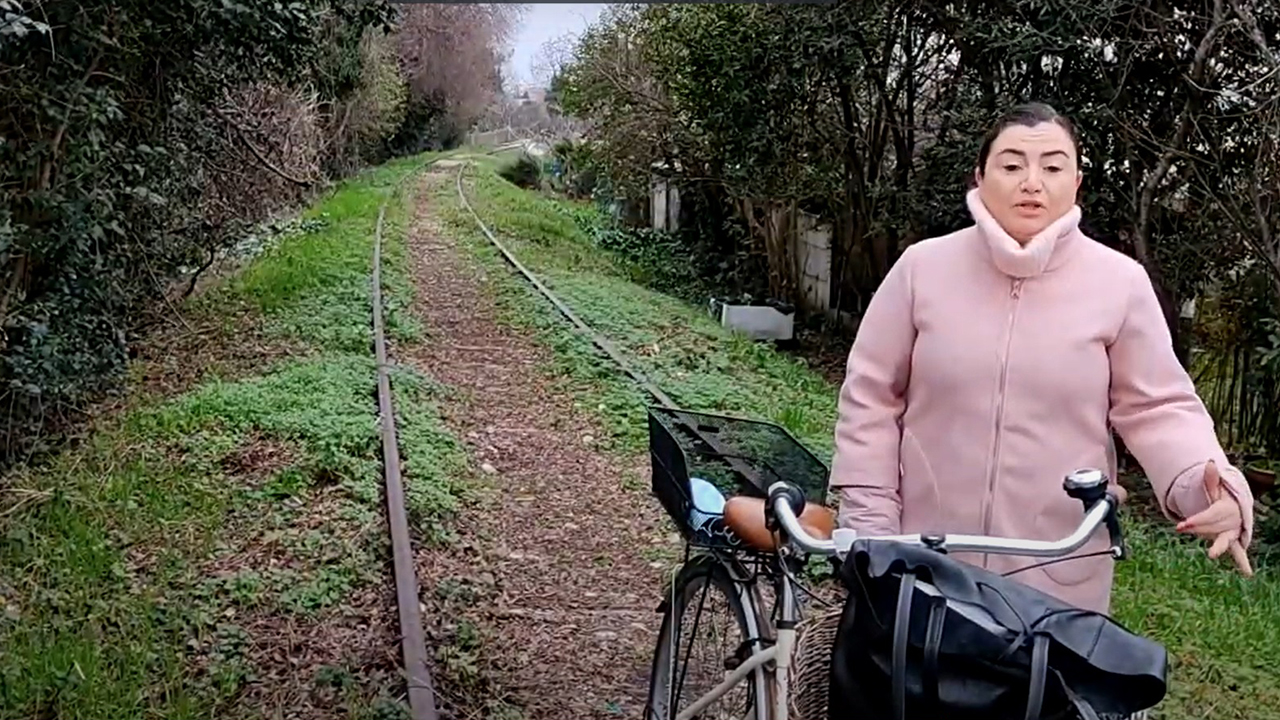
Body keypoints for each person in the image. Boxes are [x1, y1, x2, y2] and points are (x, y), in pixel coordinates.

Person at [828, 102, 1254, 616]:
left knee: (1040, 697)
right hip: (924, 560)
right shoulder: (922, 269)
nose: (1032, 182)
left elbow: (1159, 406)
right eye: (1011, 166)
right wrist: (873, 525)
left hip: (1057, 570)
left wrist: (1208, 487)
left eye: (1052, 167)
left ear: (1076, 182)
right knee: (909, 694)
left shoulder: (1118, 284)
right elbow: (871, 397)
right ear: (980, 177)